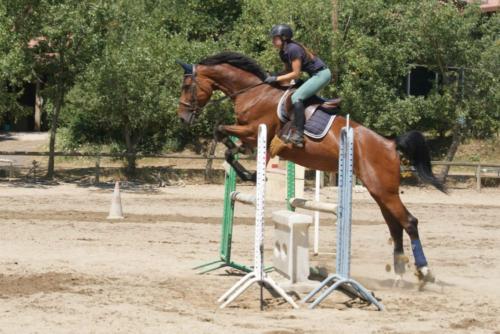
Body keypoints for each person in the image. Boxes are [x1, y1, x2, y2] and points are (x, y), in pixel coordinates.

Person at [265, 24, 332, 148]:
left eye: (275, 38)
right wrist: (272, 76)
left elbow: (296, 73)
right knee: (294, 91)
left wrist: (276, 78)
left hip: (322, 74)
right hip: (313, 75)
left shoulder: (293, 49)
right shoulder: (283, 52)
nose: (273, 41)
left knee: (296, 97)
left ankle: (299, 135)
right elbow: (287, 72)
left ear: (284, 37)